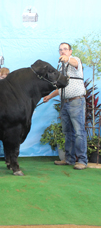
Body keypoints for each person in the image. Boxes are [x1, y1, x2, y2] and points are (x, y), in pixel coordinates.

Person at [43, 42, 87, 170]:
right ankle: (69, 159)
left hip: (76, 102)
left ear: (70, 51)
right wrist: (49, 96)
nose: (62, 51)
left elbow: (74, 62)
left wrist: (68, 59)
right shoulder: (61, 69)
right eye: (60, 50)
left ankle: (82, 161)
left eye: (65, 49)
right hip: (65, 103)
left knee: (79, 132)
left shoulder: (75, 61)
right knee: (68, 132)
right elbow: (61, 88)